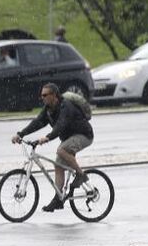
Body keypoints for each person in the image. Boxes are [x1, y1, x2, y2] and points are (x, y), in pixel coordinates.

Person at [11, 83, 94, 212]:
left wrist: (48, 137)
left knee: (61, 150)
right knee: (58, 165)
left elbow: (61, 125)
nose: (42, 97)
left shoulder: (66, 106)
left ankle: (81, 174)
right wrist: (20, 134)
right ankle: (58, 199)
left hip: (83, 135)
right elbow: (37, 122)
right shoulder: (48, 109)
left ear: (54, 95)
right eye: (41, 95)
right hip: (69, 138)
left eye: (45, 95)